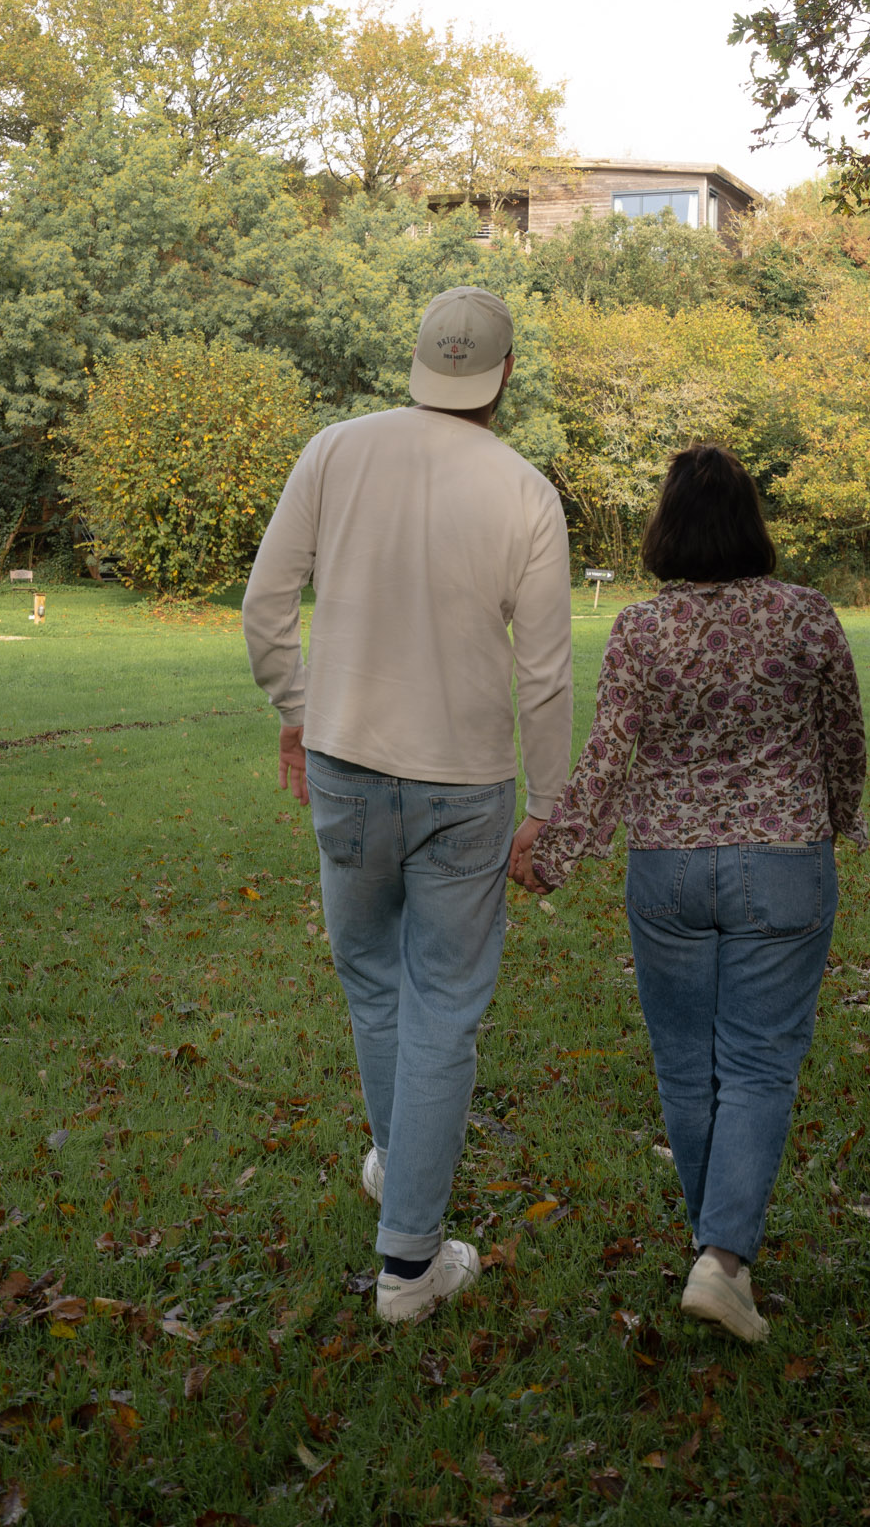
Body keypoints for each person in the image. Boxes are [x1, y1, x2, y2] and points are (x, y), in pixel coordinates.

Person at [244, 287, 573, 1324]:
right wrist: (550, 806)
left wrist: (308, 708)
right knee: (442, 1004)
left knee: (380, 985)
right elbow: (547, 677)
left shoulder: (335, 451)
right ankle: (408, 1266)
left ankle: (399, 1177)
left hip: (346, 763)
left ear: (419, 361)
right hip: (463, 784)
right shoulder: (524, 490)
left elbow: (265, 608)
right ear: (504, 373)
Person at [510, 444, 866, 1343]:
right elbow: (842, 739)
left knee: (685, 1065)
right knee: (756, 1066)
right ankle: (722, 1261)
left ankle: (717, 1254)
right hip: (783, 862)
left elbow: (607, 753)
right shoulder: (807, 616)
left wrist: (552, 849)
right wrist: (839, 819)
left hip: (665, 867)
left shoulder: (638, 629)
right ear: (751, 525)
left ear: (666, 528)